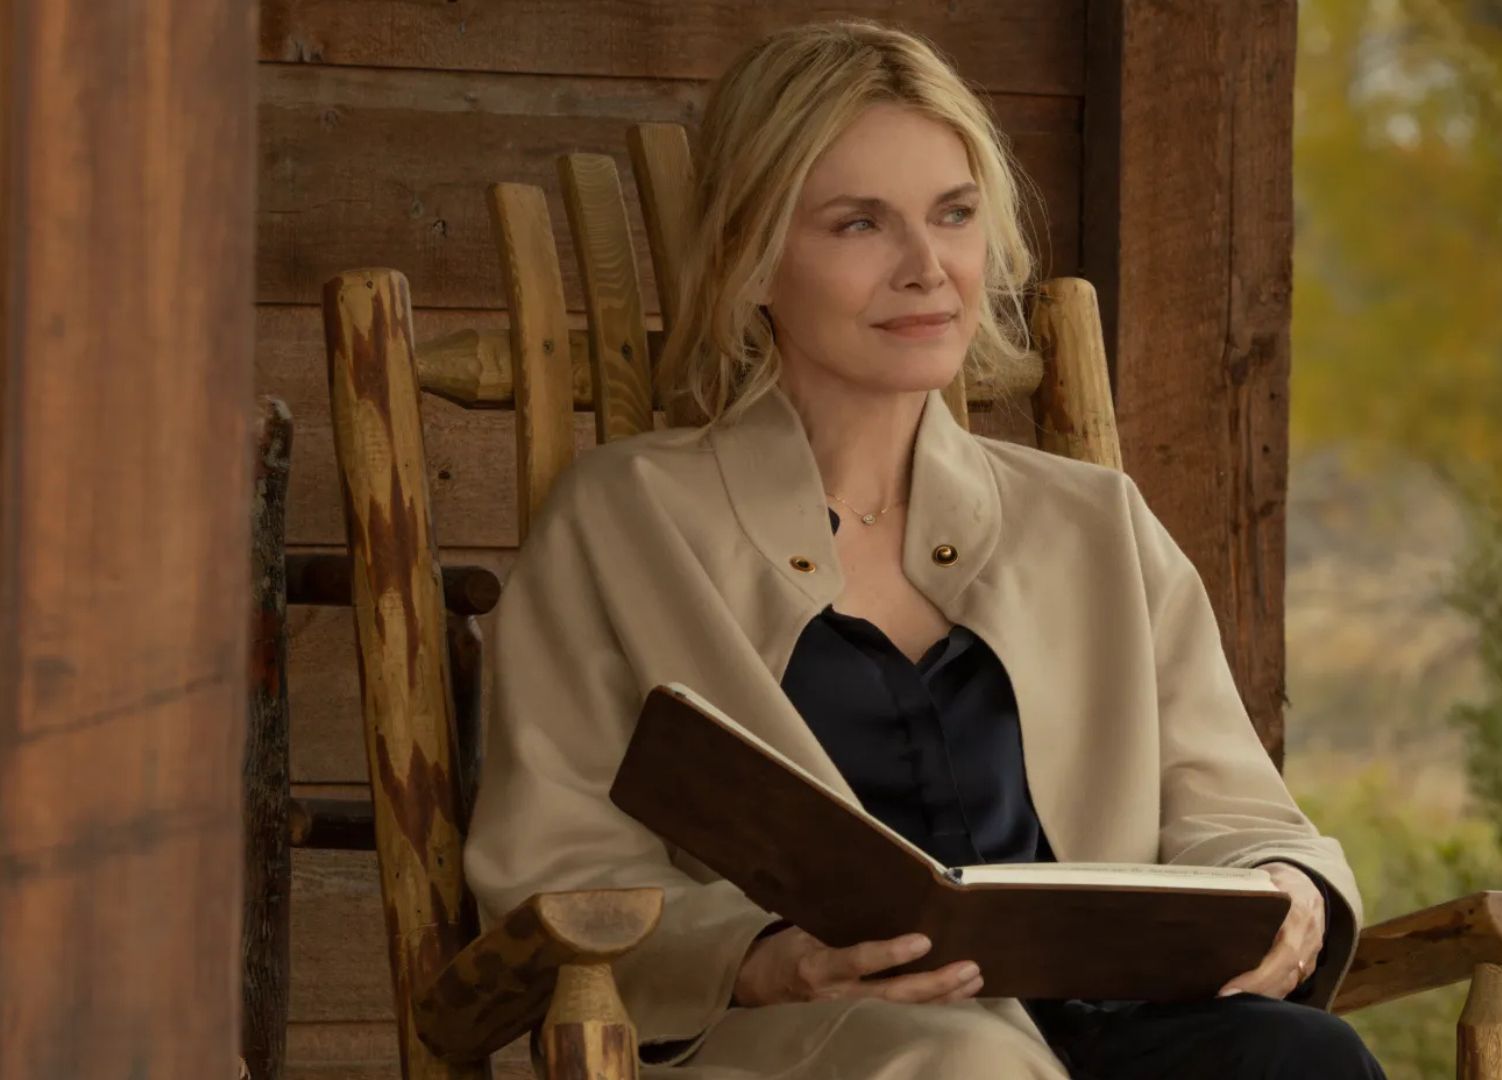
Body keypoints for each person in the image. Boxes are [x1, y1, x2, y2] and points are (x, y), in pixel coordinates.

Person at [463, 18, 1385, 1079]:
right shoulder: (625, 521)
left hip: (1105, 1024)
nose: (927, 268)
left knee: (1299, 1060)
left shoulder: (1096, 524)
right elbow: (556, 867)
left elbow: (1239, 817)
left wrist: (1289, 892)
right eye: (859, 224)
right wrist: (766, 959)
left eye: (953, 215)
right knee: (964, 1065)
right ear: (749, 257)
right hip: (798, 1043)